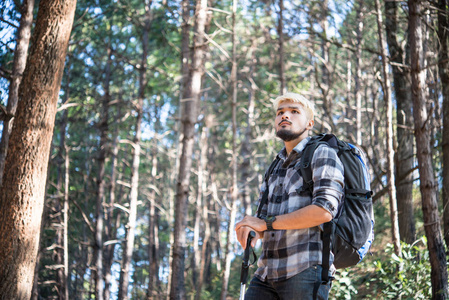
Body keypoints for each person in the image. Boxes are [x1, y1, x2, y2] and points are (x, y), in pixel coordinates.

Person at [235, 92, 344, 300]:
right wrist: (251, 230)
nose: (285, 116)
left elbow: (324, 210)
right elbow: (263, 221)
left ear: (309, 123)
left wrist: (265, 224)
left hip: (305, 270)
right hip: (266, 274)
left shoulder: (322, 153)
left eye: (294, 112)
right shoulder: (274, 167)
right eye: (280, 112)